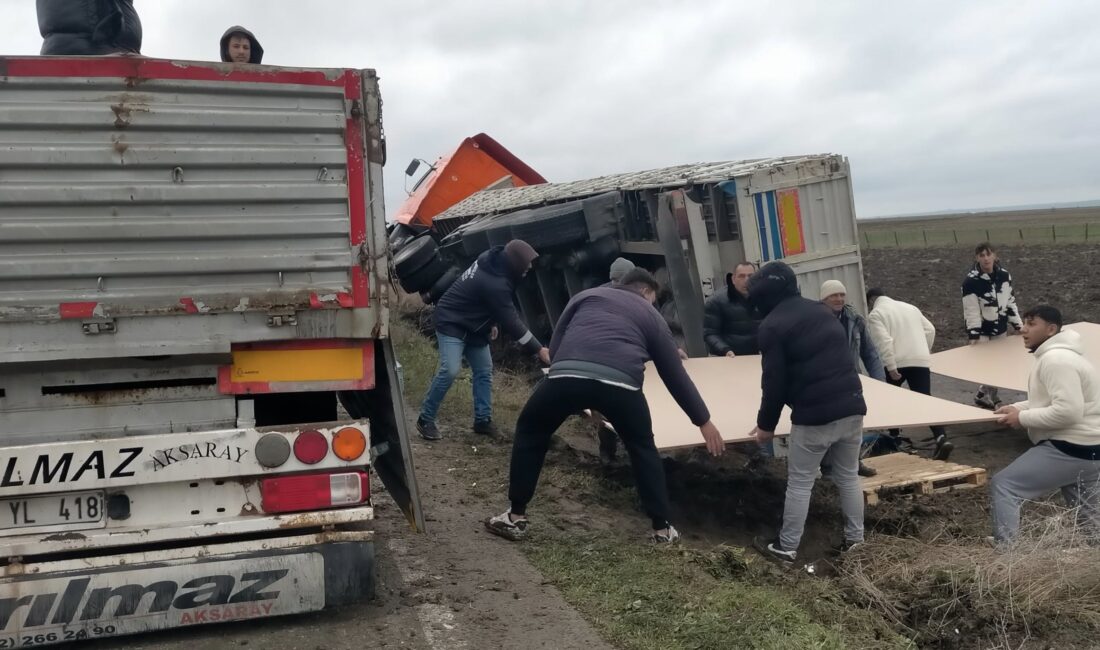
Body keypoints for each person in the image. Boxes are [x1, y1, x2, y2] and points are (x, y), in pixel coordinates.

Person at [485, 268, 725, 543]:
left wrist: (580, 396)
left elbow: (558, 346)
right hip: (621, 387)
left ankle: (515, 516)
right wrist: (703, 421)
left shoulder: (585, 297)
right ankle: (661, 530)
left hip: (566, 377)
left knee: (531, 430)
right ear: (645, 292)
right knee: (642, 448)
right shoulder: (650, 314)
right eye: (653, 299)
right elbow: (673, 374)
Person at [746, 262, 867, 565]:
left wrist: (765, 426)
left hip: (815, 417)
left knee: (800, 483)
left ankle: (786, 549)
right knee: (849, 477)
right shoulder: (821, 312)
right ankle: (856, 542)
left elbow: (773, 383)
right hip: (852, 406)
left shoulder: (772, 326)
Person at [417, 240, 550, 441]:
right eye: (526, 264)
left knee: (484, 370)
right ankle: (425, 419)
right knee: (450, 369)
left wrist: (491, 322)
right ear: (514, 263)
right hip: (451, 320)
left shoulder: (495, 262)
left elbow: (489, 302)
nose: (529, 268)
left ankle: (482, 421)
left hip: (475, 326)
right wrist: (540, 350)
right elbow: (512, 321)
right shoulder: (494, 282)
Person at [991, 306, 1100, 545]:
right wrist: (1019, 408)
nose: (1023, 329)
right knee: (1091, 525)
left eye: (1031, 324)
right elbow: (1051, 400)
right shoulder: (1065, 356)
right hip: (1091, 450)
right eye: (1024, 323)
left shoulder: (1056, 360)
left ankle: (1005, 558)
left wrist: (1021, 419)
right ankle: (1094, 566)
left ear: (1051, 329)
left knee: (1005, 485)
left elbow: (1068, 412)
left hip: (1070, 448)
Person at [866, 288, 953, 461]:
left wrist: (891, 366)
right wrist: (923, 351)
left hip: (897, 362)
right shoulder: (910, 307)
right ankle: (941, 437)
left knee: (891, 399)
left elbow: (884, 342)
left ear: (871, 302)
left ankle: (895, 438)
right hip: (919, 359)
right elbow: (930, 330)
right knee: (925, 400)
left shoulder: (876, 314)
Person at [821, 279, 885, 478]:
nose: (839, 299)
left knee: (854, 425)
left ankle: (855, 462)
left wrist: (880, 383)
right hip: (826, 383)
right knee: (828, 426)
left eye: (841, 294)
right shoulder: (816, 321)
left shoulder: (854, 319)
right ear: (824, 299)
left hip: (851, 381)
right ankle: (828, 469)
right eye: (833, 295)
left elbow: (870, 353)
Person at [963, 242, 1023, 409]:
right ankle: (993, 398)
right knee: (986, 365)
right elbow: (971, 309)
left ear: (995, 256)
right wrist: (973, 334)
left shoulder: (1004, 276)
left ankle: (984, 394)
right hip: (982, 330)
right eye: (982, 255)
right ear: (977, 258)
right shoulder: (971, 281)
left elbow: (1010, 301)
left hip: (1000, 328)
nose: (986, 258)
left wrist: (1018, 325)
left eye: (988, 254)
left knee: (997, 364)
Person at [703, 262, 762, 357]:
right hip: (727, 357)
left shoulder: (764, 298)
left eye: (750, 276)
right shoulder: (716, 301)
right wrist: (725, 350)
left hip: (756, 356)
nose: (746, 280)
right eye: (741, 276)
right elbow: (710, 333)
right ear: (733, 279)